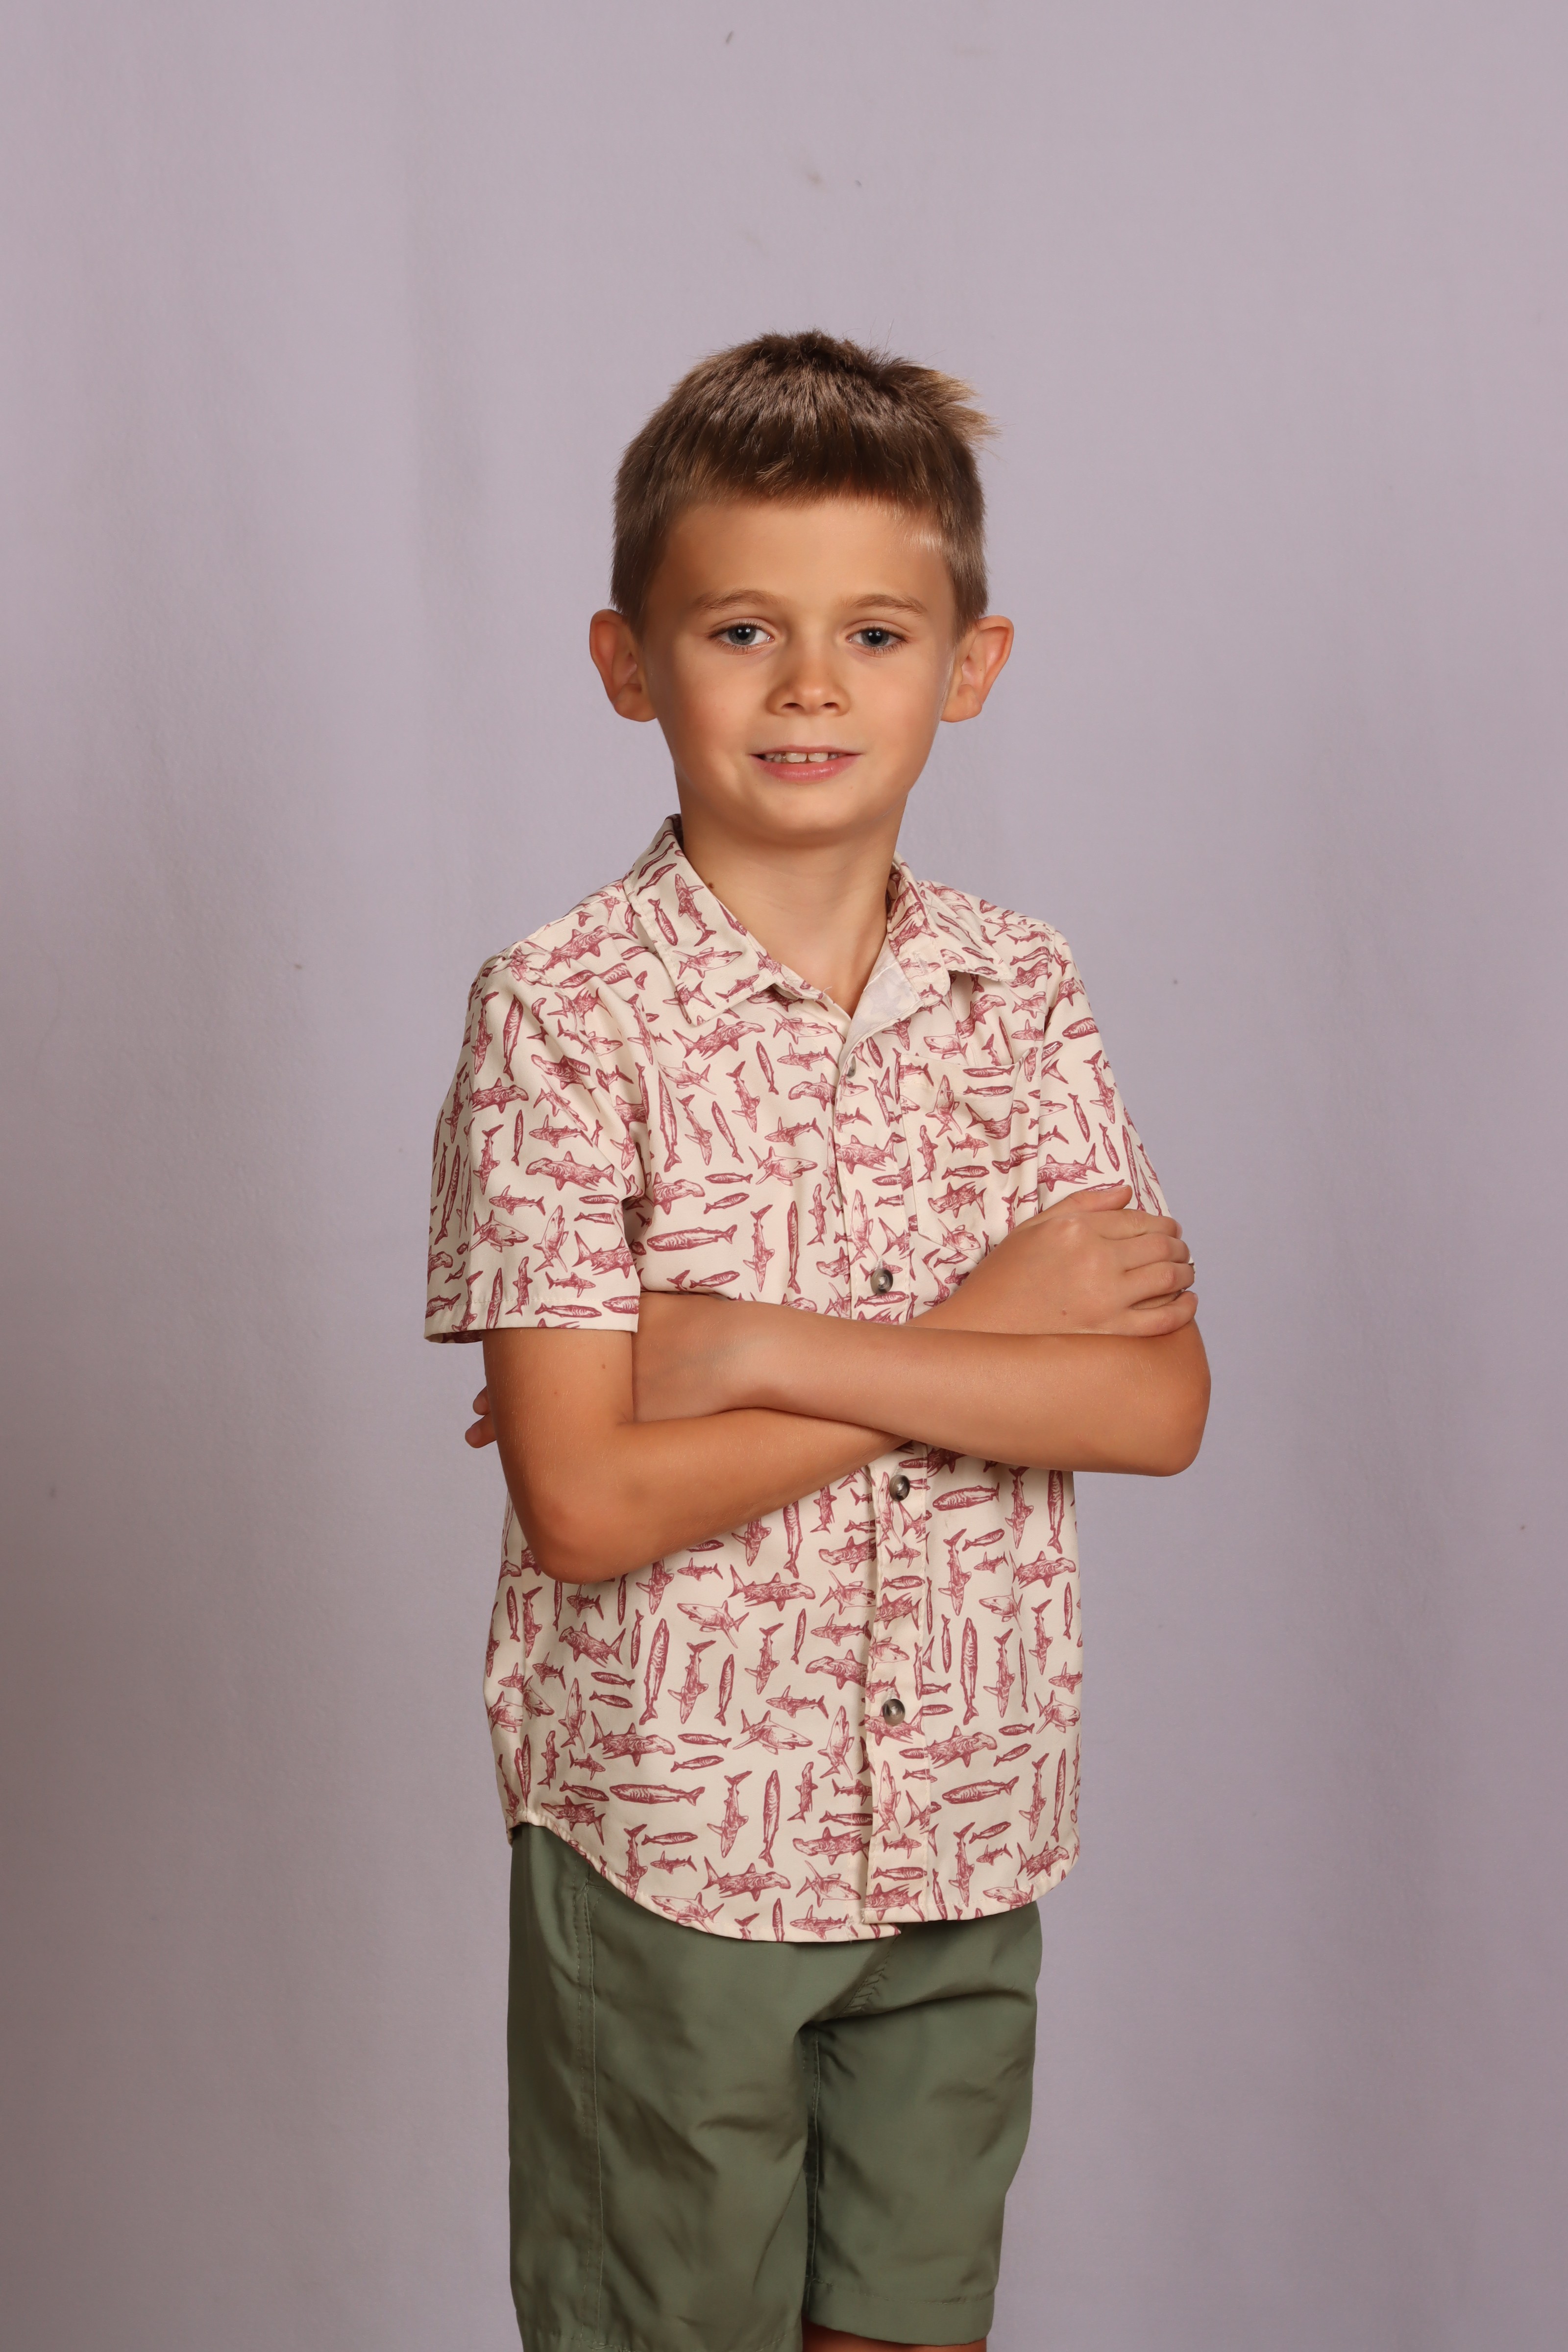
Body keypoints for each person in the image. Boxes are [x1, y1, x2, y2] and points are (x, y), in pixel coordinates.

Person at [427, 331, 1209, 2352]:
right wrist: (982, 1338)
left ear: (970, 662)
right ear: (628, 663)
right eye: (739, 631)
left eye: (872, 632)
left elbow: (1151, 1404)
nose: (807, 686)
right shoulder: (562, 1014)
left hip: (966, 1825)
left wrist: (747, 1345)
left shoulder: (1022, 992)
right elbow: (588, 1505)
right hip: (673, 1854)